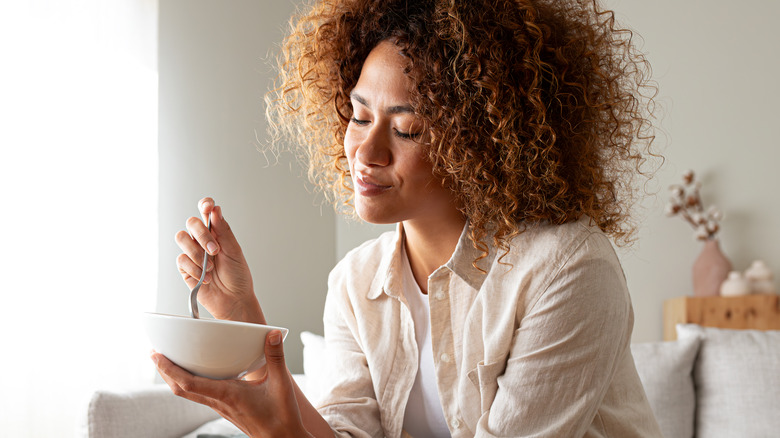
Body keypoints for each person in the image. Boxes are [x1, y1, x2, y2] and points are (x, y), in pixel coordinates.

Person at [151, 0, 664, 436]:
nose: (366, 151)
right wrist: (245, 319)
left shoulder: (568, 267)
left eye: (408, 128)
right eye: (359, 117)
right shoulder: (355, 282)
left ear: (480, 143)